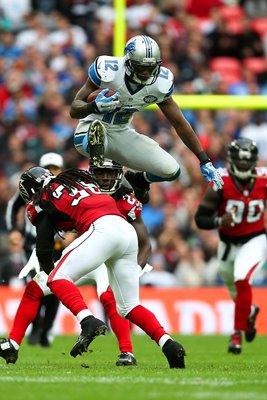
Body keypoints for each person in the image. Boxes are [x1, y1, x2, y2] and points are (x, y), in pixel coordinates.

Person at [0, 166, 185, 368]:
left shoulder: (42, 199)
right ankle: (168, 343)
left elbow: (45, 250)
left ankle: (88, 321)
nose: (106, 178)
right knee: (129, 306)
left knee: (55, 277)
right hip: (124, 234)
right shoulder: (80, 180)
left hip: (100, 232)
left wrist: (47, 269)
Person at [70, 34, 223, 204]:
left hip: (120, 133)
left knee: (171, 170)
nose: (145, 74)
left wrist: (204, 160)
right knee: (96, 138)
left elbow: (179, 122)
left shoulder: (160, 84)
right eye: (141, 67)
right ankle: (100, 180)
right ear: (128, 62)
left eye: (150, 69)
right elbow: (74, 110)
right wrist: (93, 107)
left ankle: (139, 180)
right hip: (90, 130)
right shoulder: (109, 70)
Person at [195, 138, 267, 354]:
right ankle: (249, 313)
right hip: (227, 244)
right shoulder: (221, 181)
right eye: (240, 161)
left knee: (242, 277)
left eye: (248, 161)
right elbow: (200, 219)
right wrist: (219, 221)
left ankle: (236, 334)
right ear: (232, 160)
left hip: (255, 238)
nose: (244, 165)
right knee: (235, 287)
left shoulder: (263, 179)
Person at [5, 152, 65, 347]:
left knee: (56, 289)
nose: (53, 172)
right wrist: (15, 229)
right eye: (49, 168)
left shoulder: (66, 189)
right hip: (33, 243)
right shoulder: (34, 186)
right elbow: (14, 205)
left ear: (61, 170)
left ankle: (46, 328)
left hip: (59, 244)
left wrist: (74, 233)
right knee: (36, 285)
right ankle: (36, 327)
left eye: (56, 168)